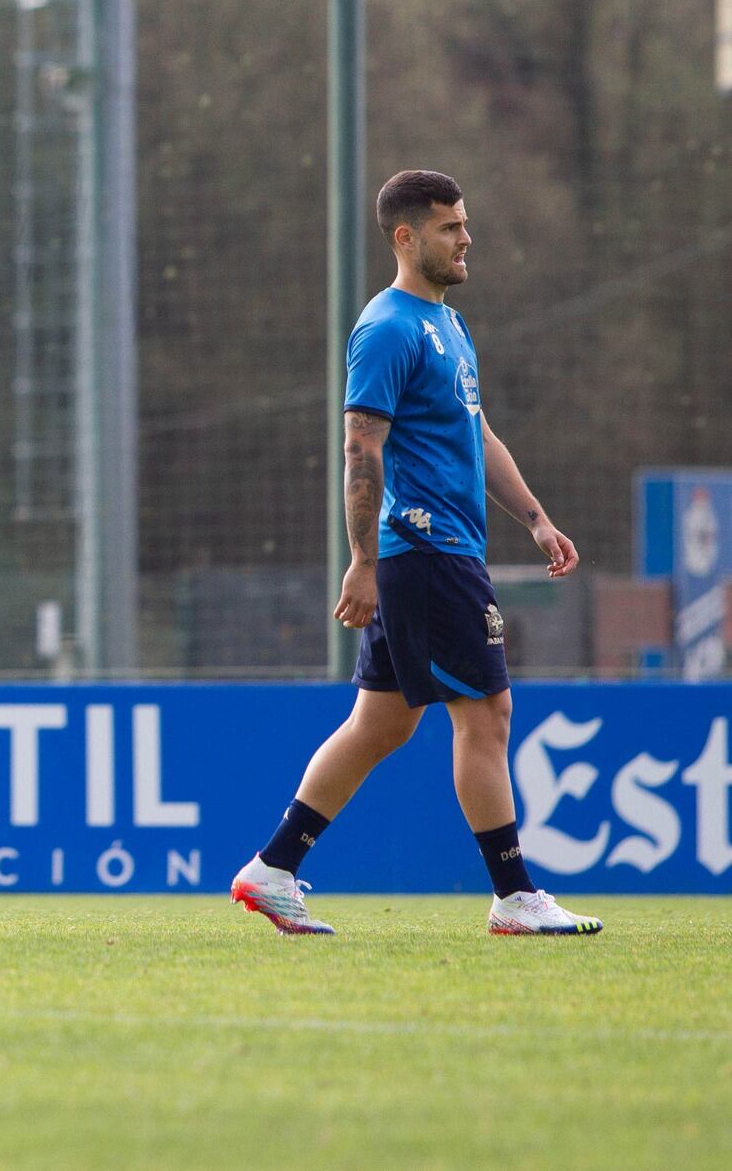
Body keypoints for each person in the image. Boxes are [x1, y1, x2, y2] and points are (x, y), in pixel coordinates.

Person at [230, 170, 602, 937]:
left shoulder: (449, 325)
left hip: (443, 549)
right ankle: (514, 893)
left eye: (464, 224)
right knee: (487, 713)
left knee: (383, 725)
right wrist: (363, 560)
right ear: (406, 237)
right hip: (425, 550)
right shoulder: (388, 328)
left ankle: (272, 867)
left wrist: (535, 518)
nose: (466, 238)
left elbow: (479, 435)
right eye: (449, 227)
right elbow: (360, 448)